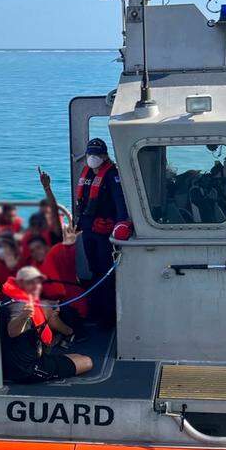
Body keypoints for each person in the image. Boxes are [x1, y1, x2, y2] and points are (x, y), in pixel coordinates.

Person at [0, 267, 93, 383]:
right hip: (27, 370)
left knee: (77, 356)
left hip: (21, 359)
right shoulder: (19, 307)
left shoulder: (14, 298)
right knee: (87, 362)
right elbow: (12, 331)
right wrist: (24, 316)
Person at [74, 138, 127, 326]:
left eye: (96, 154)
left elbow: (120, 204)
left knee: (106, 273)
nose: (93, 158)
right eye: (90, 154)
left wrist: (120, 226)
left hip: (104, 234)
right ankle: (94, 310)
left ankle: (108, 316)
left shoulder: (112, 176)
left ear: (104, 156)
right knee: (93, 271)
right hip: (88, 230)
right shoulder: (87, 173)